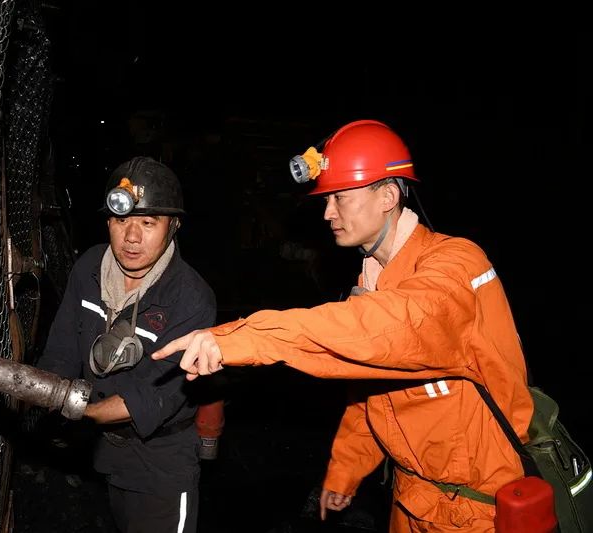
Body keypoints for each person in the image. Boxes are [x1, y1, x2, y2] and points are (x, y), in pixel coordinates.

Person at [152, 120, 534, 532]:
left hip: (478, 508)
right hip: (412, 499)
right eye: (327, 199)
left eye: (341, 197)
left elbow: (388, 327)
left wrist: (245, 338)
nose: (328, 212)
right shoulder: (374, 280)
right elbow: (373, 392)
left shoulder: (455, 266)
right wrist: (345, 471)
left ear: (388, 196)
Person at [37, 156, 219, 533]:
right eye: (121, 221)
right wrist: (48, 395)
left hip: (161, 464)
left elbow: (151, 398)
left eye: (148, 223)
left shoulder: (191, 299)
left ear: (173, 226)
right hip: (105, 451)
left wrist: (79, 413)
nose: (131, 237)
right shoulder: (89, 268)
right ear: (108, 221)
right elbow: (61, 350)